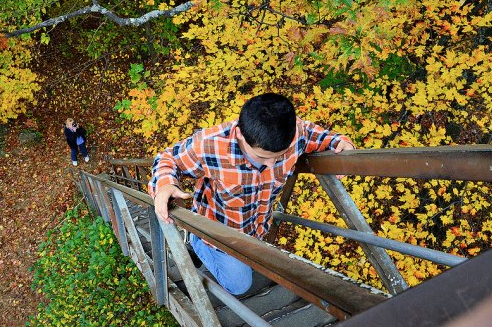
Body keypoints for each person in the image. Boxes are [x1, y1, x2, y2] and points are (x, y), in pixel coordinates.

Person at [148, 93, 355, 295]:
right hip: (218, 232)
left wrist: (342, 143)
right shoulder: (211, 145)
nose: (271, 164)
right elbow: (169, 158)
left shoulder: (295, 132)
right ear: (239, 134)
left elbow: (318, 135)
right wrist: (165, 185)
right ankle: (196, 240)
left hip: (257, 229)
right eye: (261, 157)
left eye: (279, 157)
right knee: (240, 286)